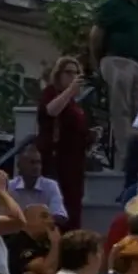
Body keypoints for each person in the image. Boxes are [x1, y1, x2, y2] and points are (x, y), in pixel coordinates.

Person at [90, 0, 138, 168]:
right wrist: (98, 61)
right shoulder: (112, 5)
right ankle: (124, 157)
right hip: (116, 60)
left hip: (135, 63)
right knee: (121, 110)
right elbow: (96, 35)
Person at [36, 57, 90, 228]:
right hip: (56, 158)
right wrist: (70, 91)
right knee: (57, 205)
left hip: (74, 160)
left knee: (73, 205)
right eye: (68, 72)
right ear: (59, 74)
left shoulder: (74, 102)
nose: (73, 76)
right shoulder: (52, 92)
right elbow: (51, 110)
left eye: (76, 73)